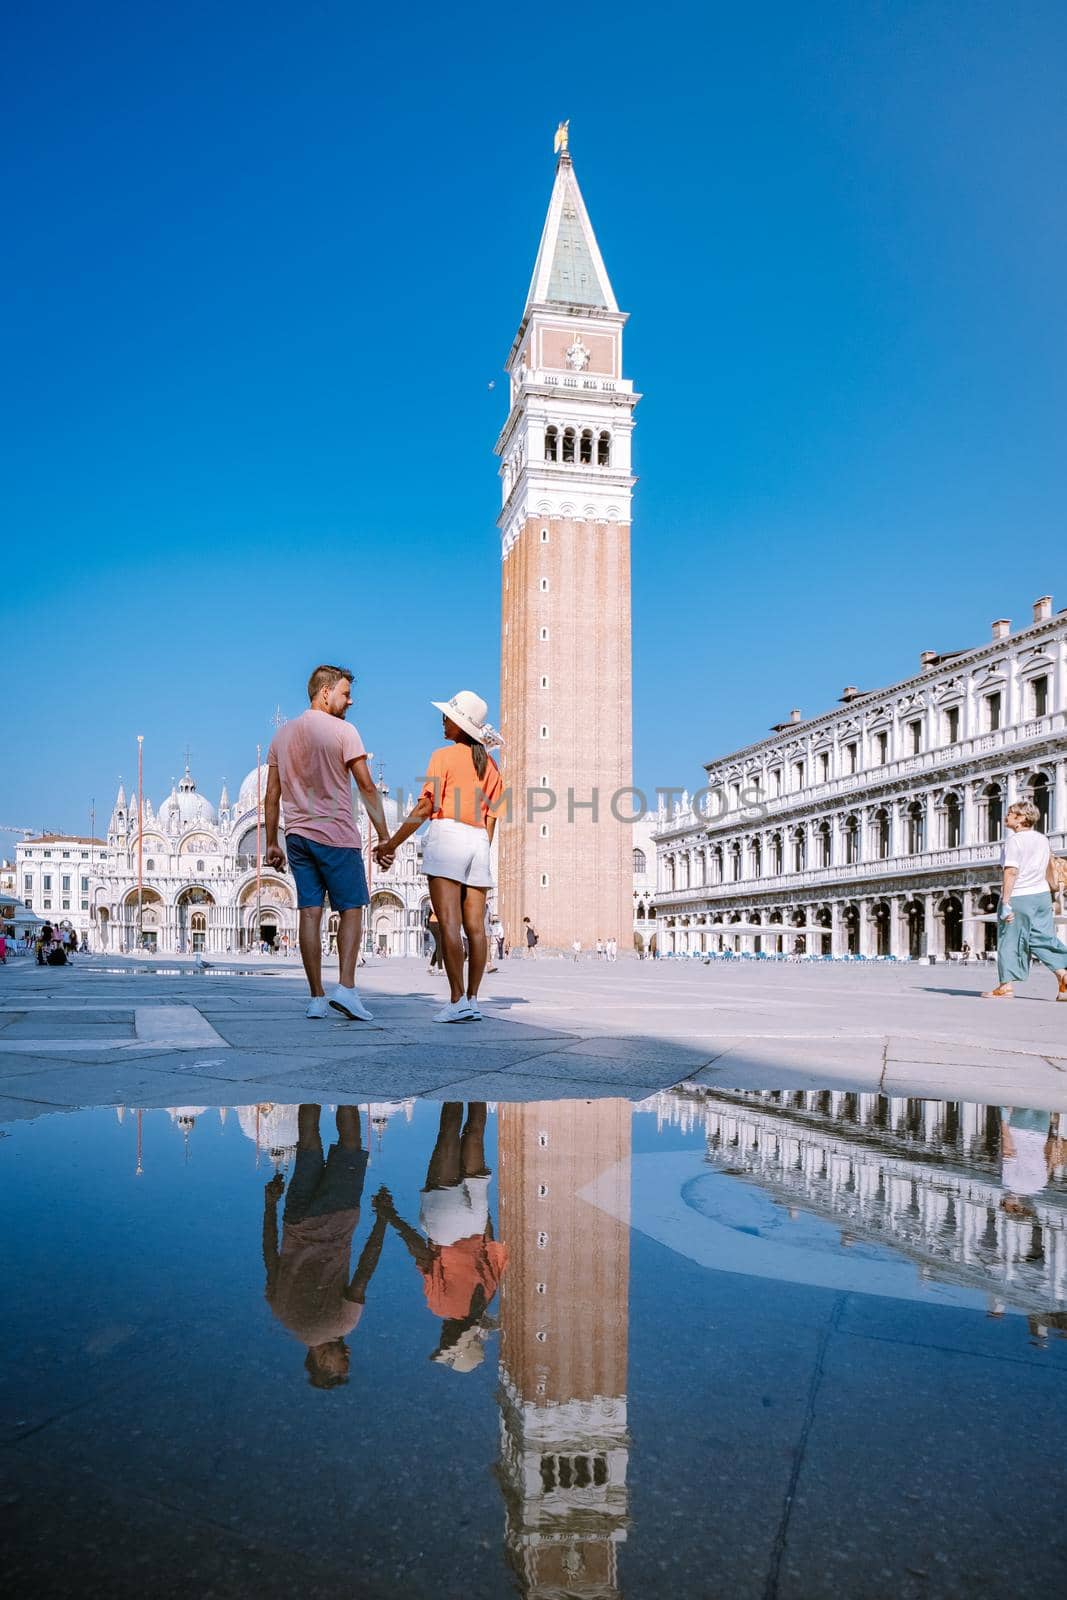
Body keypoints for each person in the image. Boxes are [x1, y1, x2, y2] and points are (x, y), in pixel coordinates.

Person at [265, 664, 391, 1022]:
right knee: (351, 909)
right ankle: (347, 989)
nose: (351, 701)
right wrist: (384, 836)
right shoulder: (344, 731)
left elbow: (271, 794)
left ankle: (317, 997)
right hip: (335, 834)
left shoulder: (282, 736)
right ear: (325, 693)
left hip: (297, 837)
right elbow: (367, 786)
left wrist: (272, 842)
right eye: (345, 694)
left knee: (310, 912)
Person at [377, 691, 503, 1024]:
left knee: (449, 923)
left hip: (448, 836)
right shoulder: (491, 765)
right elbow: (493, 816)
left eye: (448, 717)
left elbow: (425, 806)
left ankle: (456, 999)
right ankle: (473, 1000)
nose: (443, 721)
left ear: (461, 726)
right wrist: (481, 846)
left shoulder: (443, 757)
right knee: (477, 929)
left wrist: (391, 844)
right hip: (479, 841)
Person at [262, 1104, 390, 1389]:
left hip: (337, 1220)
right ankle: (311, 1088)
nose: (348, 1353)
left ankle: (346, 1090)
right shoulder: (281, 1313)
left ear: (321, 1363)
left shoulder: (342, 1325)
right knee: (308, 1143)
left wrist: (382, 1220)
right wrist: (270, 1205)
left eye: (342, 1362)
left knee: (350, 1144)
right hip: (295, 1219)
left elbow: (364, 1272)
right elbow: (270, 1255)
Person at [377, 1103, 507, 1373]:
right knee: (447, 1134)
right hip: (444, 1227)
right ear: (451, 1338)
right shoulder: (439, 1306)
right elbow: (422, 1254)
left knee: (475, 1132)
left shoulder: (488, 1296)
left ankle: (478, 1082)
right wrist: (389, 1215)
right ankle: (453, 1083)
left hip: (477, 1219)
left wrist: (480, 1209)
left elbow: (491, 1241)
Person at [981, 800, 1067, 1000]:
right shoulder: (1042, 839)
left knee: (1009, 939)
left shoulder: (1015, 840)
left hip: (1020, 895)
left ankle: (1005, 987)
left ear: (1020, 819)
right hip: (1042, 895)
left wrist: (1005, 903)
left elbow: (1011, 871)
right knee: (1041, 937)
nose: (1006, 816)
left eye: (1011, 813)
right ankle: (1063, 976)